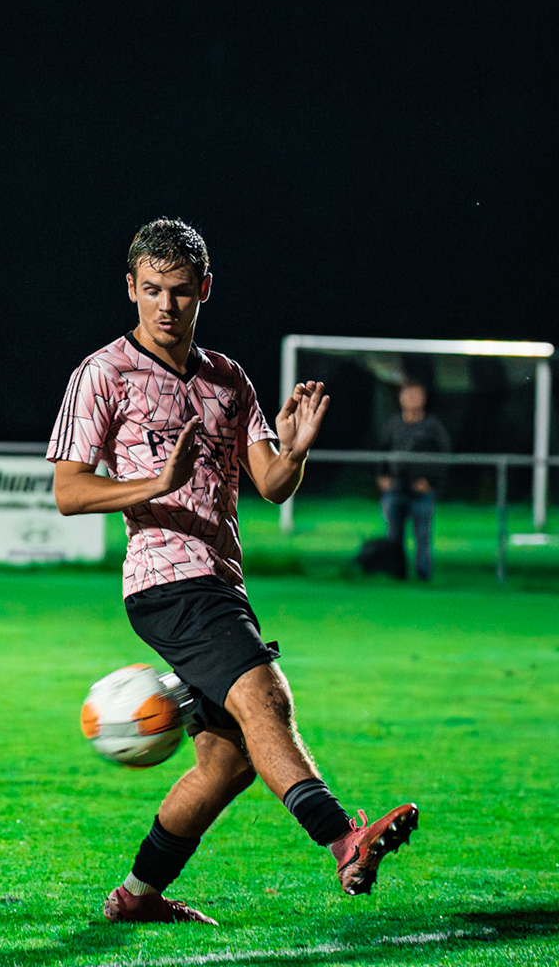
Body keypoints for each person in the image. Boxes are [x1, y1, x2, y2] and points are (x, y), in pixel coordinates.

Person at [48, 217, 417, 925]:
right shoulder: (104, 373)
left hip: (220, 582)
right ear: (130, 288)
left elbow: (272, 483)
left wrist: (298, 449)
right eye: (151, 290)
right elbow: (69, 491)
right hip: (166, 582)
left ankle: (137, 896)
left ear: (204, 291)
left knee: (228, 763)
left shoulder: (227, 379)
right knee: (264, 696)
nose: (165, 305)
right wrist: (153, 485)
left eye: (180, 292)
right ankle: (344, 839)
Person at [376, 378, 451, 582]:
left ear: (424, 398)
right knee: (393, 536)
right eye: (407, 394)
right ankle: (395, 574)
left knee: (422, 536)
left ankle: (423, 575)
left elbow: (444, 456)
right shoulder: (392, 424)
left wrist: (430, 481)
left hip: (421, 492)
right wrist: (382, 477)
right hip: (395, 489)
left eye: (416, 394)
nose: (411, 399)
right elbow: (380, 451)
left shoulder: (432, 426)